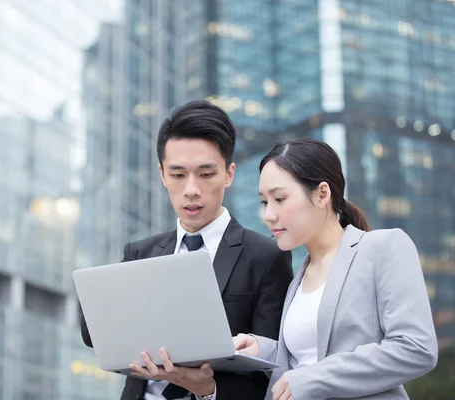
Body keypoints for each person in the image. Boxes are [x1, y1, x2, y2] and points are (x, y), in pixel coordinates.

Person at [80, 100, 293, 400]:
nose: (191, 189)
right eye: (178, 175)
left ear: (229, 174)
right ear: (163, 174)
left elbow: (270, 373)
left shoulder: (266, 257)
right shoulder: (140, 253)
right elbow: (94, 334)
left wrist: (206, 388)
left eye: (206, 174)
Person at [233, 137, 438, 400]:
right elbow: (310, 358)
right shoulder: (299, 276)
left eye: (280, 199)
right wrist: (262, 349)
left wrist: (316, 378)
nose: (269, 215)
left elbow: (416, 347)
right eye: (264, 202)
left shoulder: (382, 247)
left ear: (322, 194)